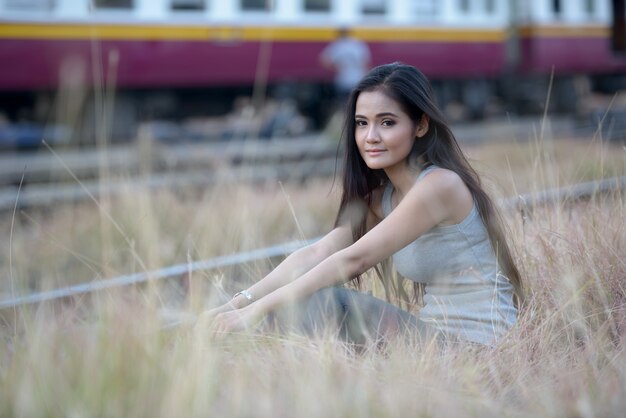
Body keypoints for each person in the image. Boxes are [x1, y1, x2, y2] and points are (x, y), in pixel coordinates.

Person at [198, 63, 523, 347]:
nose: (370, 136)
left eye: (387, 122)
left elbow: (355, 259)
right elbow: (316, 253)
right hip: (431, 339)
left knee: (322, 302)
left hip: (475, 346)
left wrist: (256, 312)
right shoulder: (381, 200)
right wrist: (238, 303)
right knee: (295, 305)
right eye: (362, 123)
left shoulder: (440, 186)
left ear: (420, 125)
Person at [319, 27, 371, 107]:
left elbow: (325, 61)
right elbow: (365, 63)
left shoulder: (337, 46)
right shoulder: (358, 45)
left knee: (345, 105)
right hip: (358, 79)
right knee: (358, 104)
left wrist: (338, 67)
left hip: (343, 81)